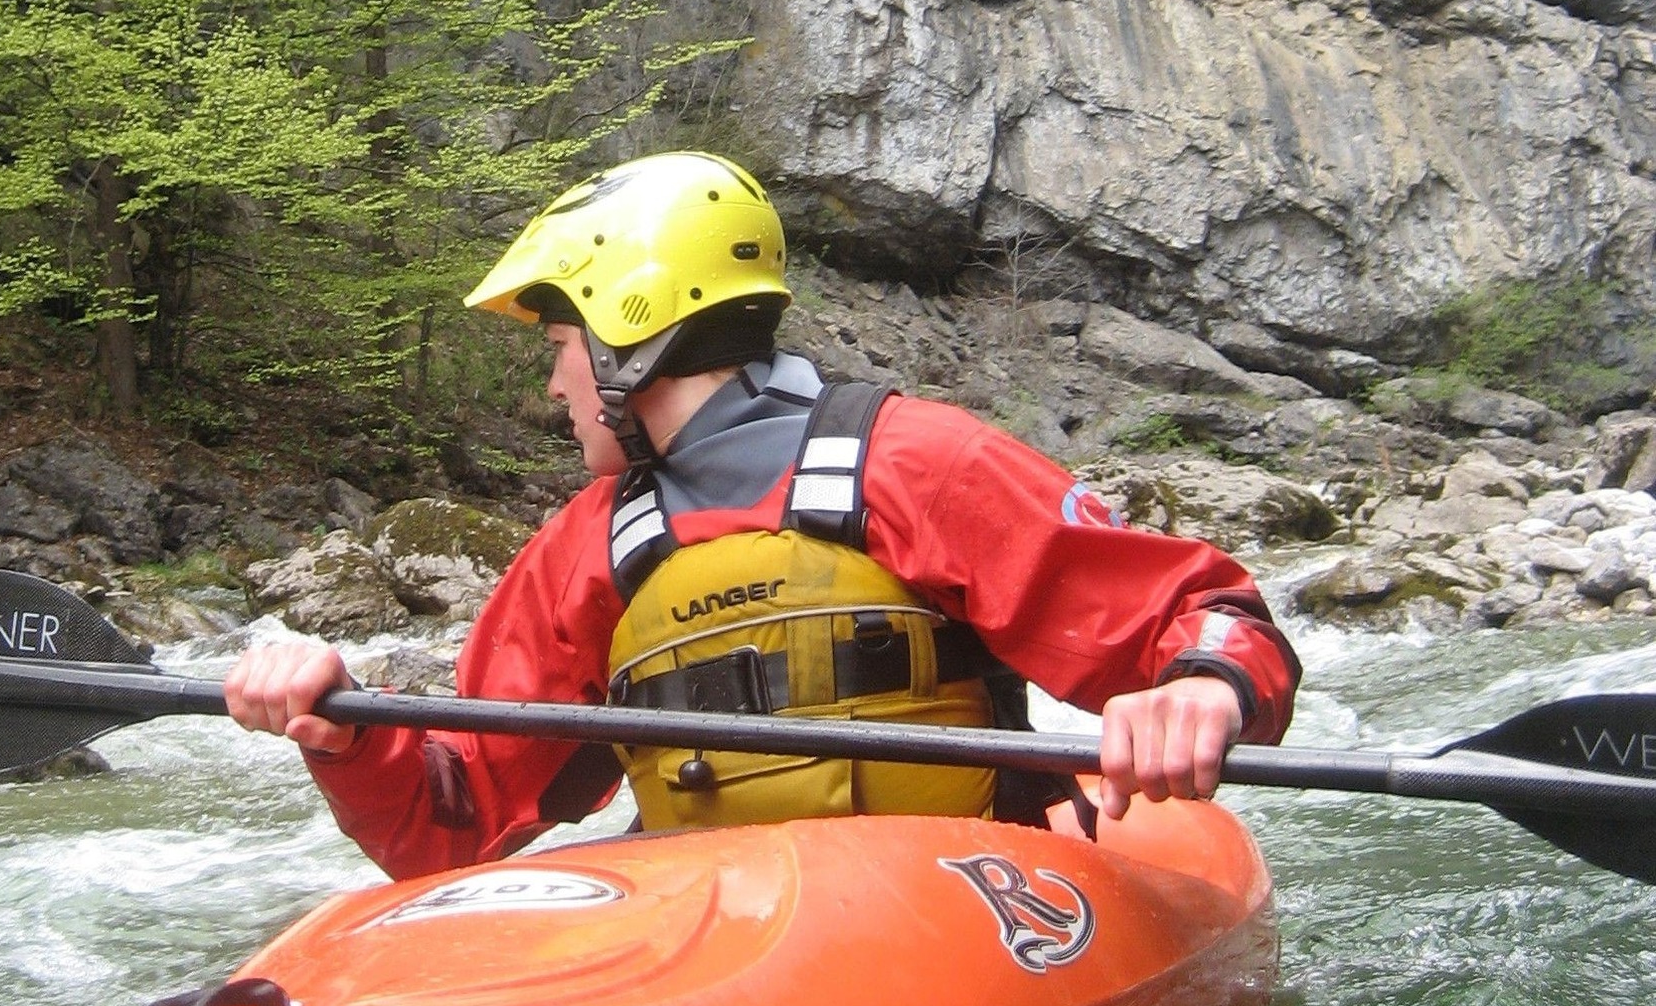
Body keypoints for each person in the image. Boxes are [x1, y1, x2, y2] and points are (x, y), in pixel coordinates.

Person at [225, 152, 1300, 881]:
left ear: (627, 331)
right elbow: (448, 820)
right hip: (720, 920)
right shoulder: (586, 547)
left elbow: (1211, 619)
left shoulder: (917, 463)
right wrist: (345, 728)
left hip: (956, 894)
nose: (551, 387)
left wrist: (1200, 688)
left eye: (558, 348)